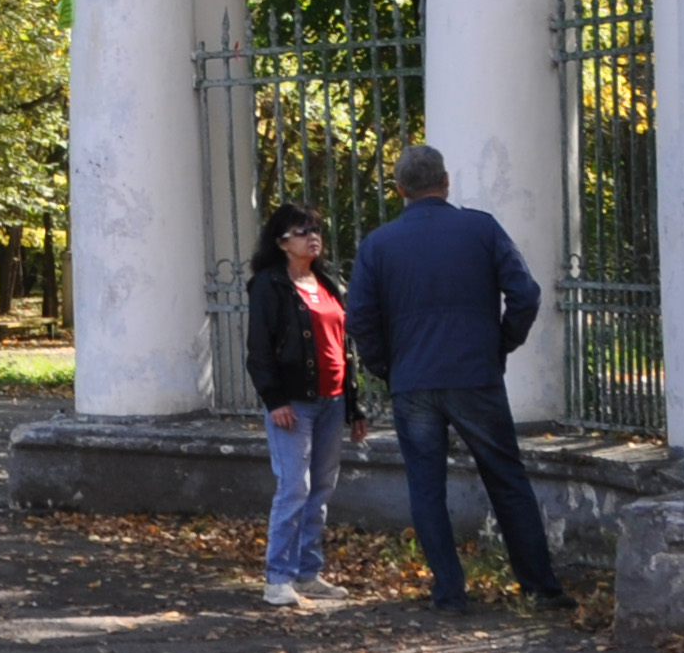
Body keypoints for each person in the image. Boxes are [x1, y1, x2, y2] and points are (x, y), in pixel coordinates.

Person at [339, 141, 569, 611]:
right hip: (474, 374)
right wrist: (501, 343)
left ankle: (448, 591)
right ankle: (540, 587)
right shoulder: (480, 229)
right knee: (506, 478)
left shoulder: (378, 245)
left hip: (413, 381)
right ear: (446, 183)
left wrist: (387, 365)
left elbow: (359, 317)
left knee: (426, 486)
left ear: (400, 190)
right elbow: (524, 294)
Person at [243, 201, 364, 609]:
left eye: (316, 230)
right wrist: (274, 399)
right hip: (292, 403)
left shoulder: (329, 284)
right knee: (295, 486)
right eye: (302, 231)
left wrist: (354, 406)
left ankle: (308, 573)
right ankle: (277, 578)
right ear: (281, 242)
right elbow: (258, 349)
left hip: (331, 401)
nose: (313, 238)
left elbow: (345, 349)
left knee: (322, 488)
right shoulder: (269, 285)